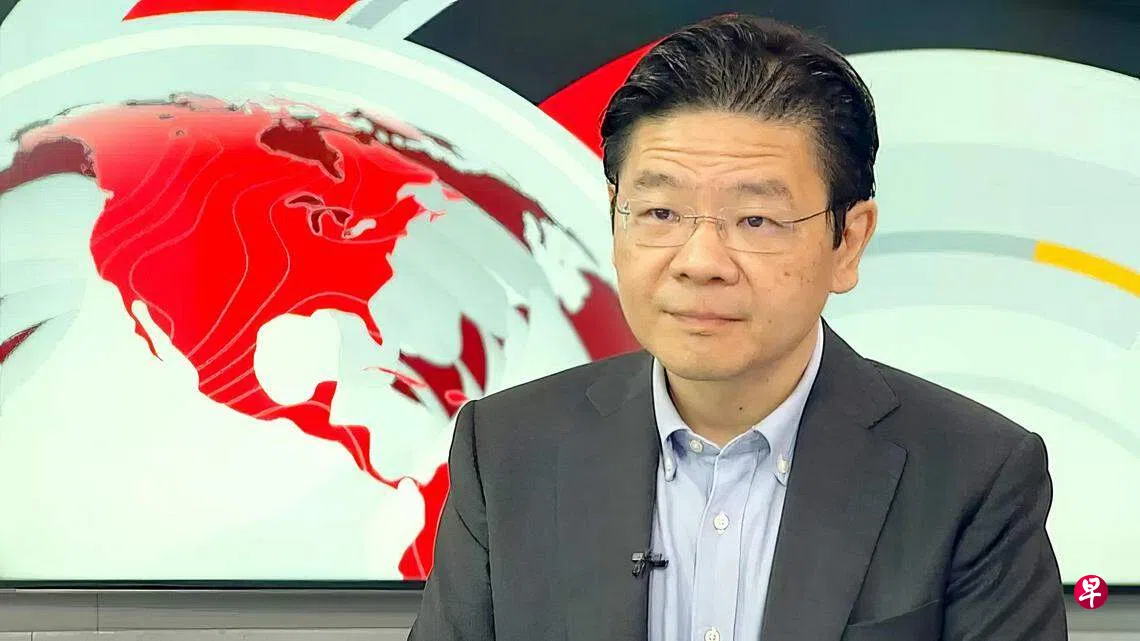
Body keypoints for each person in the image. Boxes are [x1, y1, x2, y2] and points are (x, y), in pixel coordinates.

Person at [408, 13, 1068, 641]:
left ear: (847, 242)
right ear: (615, 216)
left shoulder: (973, 476)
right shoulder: (507, 450)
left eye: (756, 220)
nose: (700, 262)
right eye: (660, 212)